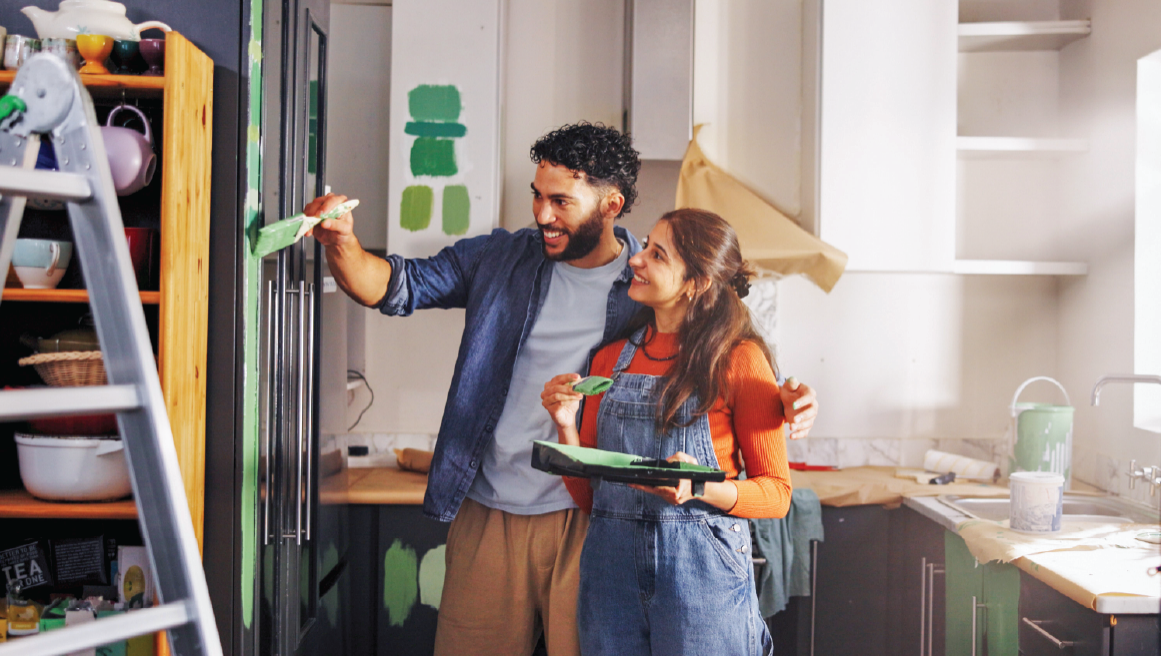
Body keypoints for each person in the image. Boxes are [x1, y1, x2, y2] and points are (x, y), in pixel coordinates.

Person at [303, 123, 816, 656]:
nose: (542, 214)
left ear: (611, 204)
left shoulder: (650, 280)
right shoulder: (500, 259)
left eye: (560, 201)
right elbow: (392, 284)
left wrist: (788, 397)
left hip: (596, 522)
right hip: (493, 510)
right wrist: (343, 243)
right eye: (537, 196)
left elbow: (721, 346)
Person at [541, 208, 789, 656]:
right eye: (646, 246)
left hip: (703, 577)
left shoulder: (740, 360)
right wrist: (565, 426)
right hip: (610, 576)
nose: (636, 259)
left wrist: (701, 489)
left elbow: (776, 494)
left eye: (657, 254)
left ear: (696, 283)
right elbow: (589, 497)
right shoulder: (608, 361)